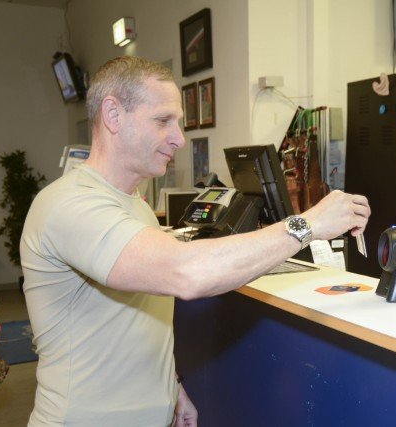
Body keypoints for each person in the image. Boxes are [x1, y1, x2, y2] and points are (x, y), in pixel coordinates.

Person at [20, 56, 371, 426]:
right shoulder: (69, 205)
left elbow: (133, 321)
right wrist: (307, 224)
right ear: (113, 114)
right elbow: (187, 272)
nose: (179, 139)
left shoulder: (133, 207)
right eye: (162, 121)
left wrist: (171, 388)